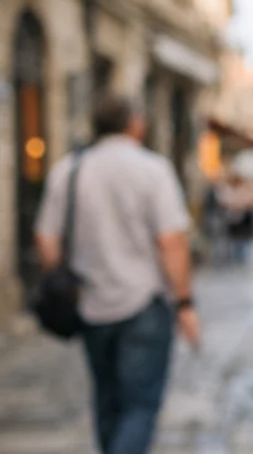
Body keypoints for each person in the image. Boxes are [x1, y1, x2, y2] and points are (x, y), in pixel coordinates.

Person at [34, 96, 200, 454]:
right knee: (139, 407)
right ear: (135, 124)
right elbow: (172, 242)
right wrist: (185, 303)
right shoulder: (152, 168)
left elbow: (45, 239)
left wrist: (63, 279)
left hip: (91, 305)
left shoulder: (68, 170)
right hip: (144, 304)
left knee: (107, 403)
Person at [218, 171, 253, 264]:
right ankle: (238, 255)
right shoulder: (227, 189)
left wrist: (242, 205)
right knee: (235, 237)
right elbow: (223, 201)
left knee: (245, 237)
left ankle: (243, 255)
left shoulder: (246, 188)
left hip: (244, 216)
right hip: (232, 217)